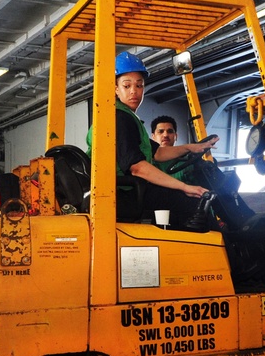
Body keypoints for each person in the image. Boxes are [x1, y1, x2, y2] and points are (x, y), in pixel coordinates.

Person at [87, 52, 218, 228]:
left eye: (139, 86)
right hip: (124, 192)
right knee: (196, 204)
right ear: (115, 89)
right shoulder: (119, 118)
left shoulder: (124, 116)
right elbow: (137, 168)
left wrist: (190, 147)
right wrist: (184, 187)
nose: (134, 91)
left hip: (126, 189)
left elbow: (157, 152)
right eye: (127, 86)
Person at [150, 115, 195, 183]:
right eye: (161, 131)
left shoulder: (188, 162)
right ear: (153, 137)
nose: (165, 135)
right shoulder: (147, 162)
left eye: (170, 131)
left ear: (175, 136)